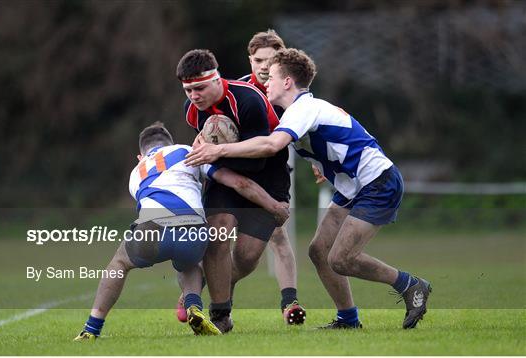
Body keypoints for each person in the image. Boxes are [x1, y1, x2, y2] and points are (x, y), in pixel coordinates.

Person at [185, 48, 432, 330]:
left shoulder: (304, 108)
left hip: (377, 182)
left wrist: (218, 150)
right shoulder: (299, 111)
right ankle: (348, 319)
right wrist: (322, 161)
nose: (266, 82)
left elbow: (271, 145)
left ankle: (411, 285)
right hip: (352, 187)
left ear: (288, 82)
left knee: (340, 258)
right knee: (318, 251)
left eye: (272, 77)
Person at [74, 122, 289, 340]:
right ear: (171, 143)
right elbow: (238, 183)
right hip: (194, 229)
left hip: (154, 226)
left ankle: (92, 328)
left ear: (141, 155)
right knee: (189, 263)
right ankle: (194, 306)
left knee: (119, 263)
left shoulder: (136, 172)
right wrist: (273, 205)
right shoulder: (188, 152)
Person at [175, 49, 293, 332]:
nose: (194, 95)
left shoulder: (248, 100)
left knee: (246, 257)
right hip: (226, 177)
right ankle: (220, 315)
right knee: (218, 234)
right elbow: (206, 153)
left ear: (217, 79)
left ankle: (206, 282)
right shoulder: (192, 110)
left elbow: (259, 158)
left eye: (200, 87)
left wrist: (216, 153)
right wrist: (212, 160)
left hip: (267, 177)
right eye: (188, 90)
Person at [238, 30, 305, 323]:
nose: (264, 66)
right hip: (236, 173)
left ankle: (290, 303)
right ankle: (194, 293)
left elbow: (311, 125)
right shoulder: (237, 91)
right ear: (250, 60)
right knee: (224, 239)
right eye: (258, 60)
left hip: (274, 170)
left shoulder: (288, 91)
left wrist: (318, 162)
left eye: (271, 60)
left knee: (278, 235)